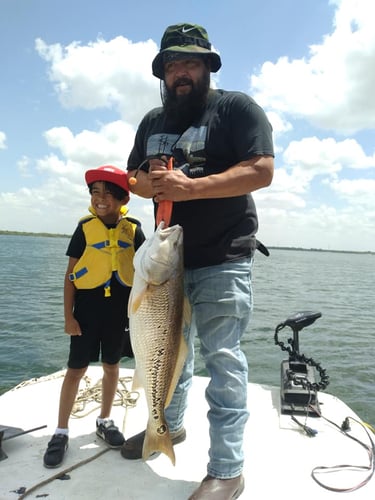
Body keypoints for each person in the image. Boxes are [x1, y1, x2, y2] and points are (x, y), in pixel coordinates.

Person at [122, 23, 274, 499]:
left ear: (208, 65)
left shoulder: (235, 108)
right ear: (163, 74)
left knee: (223, 361)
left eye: (190, 63)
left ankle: (227, 470)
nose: (180, 73)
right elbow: (133, 176)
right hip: (168, 264)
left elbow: (261, 170)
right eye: (172, 65)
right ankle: (169, 426)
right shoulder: (152, 121)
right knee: (174, 356)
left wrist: (191, 187)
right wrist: (150, 185)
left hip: (223, 257)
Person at [43, 165, 146, 468]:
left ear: (122, 197)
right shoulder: (85, 228)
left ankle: (105, 420)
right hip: (86, 313)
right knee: (76, 370)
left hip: (118, 314)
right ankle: (61, 431)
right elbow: (69, 277)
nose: (101, 199)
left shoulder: (134, 229)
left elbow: (149, 270)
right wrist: (67, 318)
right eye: (95, 193)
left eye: (108, 194)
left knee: (112, 367)